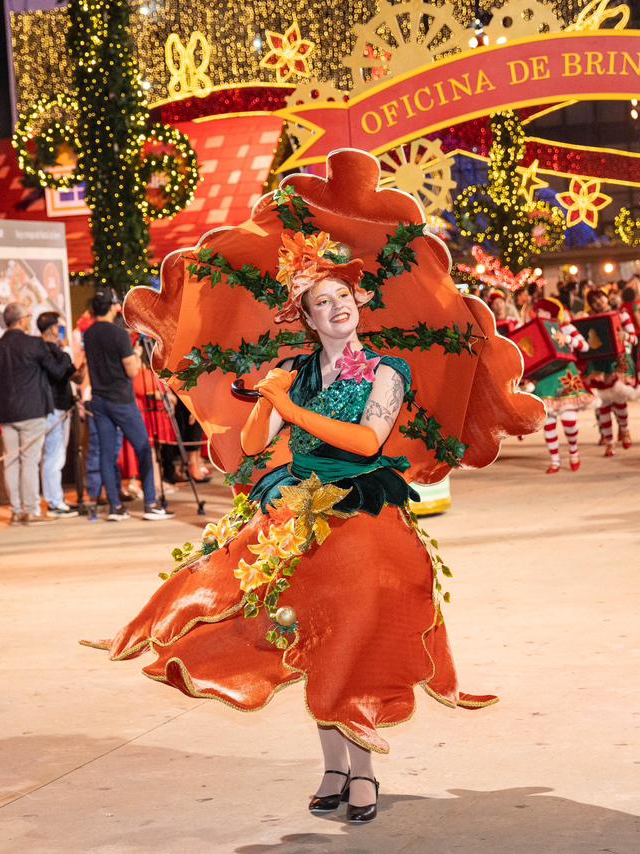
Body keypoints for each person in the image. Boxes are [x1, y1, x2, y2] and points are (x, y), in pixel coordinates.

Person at [88, 162, 542, 826]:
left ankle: (363, 774)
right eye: (321, 304)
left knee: (358, 635)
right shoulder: (293, 371)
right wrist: (268, 398)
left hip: (364, 516)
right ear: (304, 316)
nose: (335, 311)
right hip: (295, 513)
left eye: (343, 301)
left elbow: (366, 442)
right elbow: (248, 443)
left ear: (358, 306)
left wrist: (292, 411)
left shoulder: (384, 369)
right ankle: (334, 766)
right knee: (304, 634)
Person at [0, 302, 75, 525]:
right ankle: (31, 510)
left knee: (11, 462)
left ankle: (16, 510)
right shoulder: (34, 344)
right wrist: (65, 354)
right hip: (33, 412)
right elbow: (58, 372)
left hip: (6, 414)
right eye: (28, 317)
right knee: (29, 461)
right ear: (22, 320)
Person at [81, 290, 172, 521]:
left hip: (99, 401)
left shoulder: (88, 334)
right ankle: (150, 503)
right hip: (121, 399)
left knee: (106, 454)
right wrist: (137, 352)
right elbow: (131, 370)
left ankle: (115, 508)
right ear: (113, 307)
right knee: (143, 447)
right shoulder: (119, 335)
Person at [580, 287, 640, 456]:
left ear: (606, 297)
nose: (599, 302)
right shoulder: (591, 320)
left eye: (600, 298)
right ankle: (609, 442)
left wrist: (624, 336)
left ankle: (624, 430)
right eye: (594, 301)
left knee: (619, 399)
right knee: (603, 403)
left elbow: (634, 338)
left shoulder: (622, 314)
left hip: (619, 361)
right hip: (599, 364)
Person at [529, 297, 595, 473]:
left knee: (569, 421)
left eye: (542, 310)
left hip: (565, 374)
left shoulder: (565, 326)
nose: (539, 314)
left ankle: (574, 452)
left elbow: (584, 346)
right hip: (545, 378)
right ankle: (555, 460)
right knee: (548, 421)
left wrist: (567, 339)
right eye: (538, 311)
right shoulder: (534, 330)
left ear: (551, 312)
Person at [36, 312, 81, 517]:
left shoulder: (58, 352)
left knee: (55, 455)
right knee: (53, 456)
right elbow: (56, 372)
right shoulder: (44, 350)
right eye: (60, 327)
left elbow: (74, 376)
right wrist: (65, 353)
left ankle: (55, 498)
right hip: (53, 407)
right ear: (53, 329)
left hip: (60, 406)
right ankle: (54, 501)